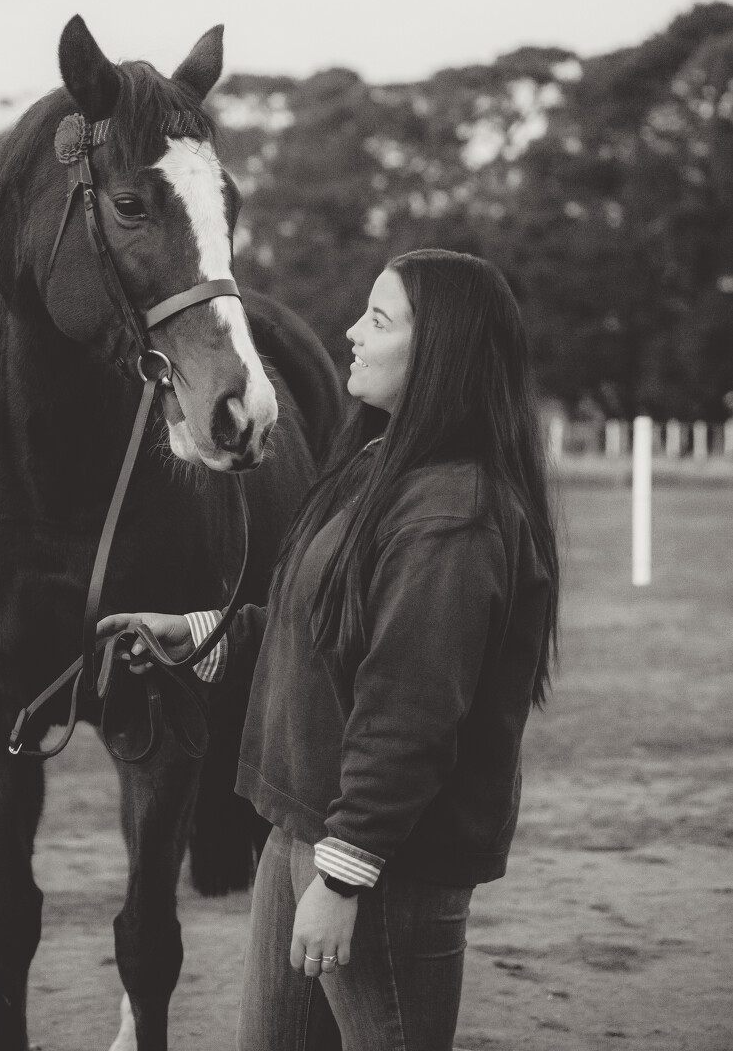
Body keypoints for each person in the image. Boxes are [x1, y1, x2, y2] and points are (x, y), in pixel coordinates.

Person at [98, 248, 559, 1051]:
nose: (349, 332)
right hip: (302, 826)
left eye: (377, 320)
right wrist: (200, 632)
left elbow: (409, 716)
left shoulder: (452, 515)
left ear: (439, 352)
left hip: (382, 864)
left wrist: (342, 878)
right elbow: (322, 625)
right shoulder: (381, 468)